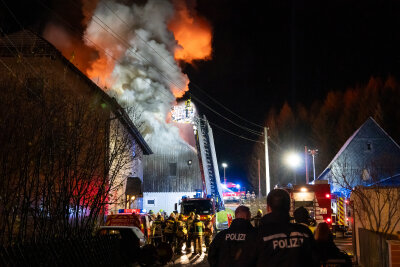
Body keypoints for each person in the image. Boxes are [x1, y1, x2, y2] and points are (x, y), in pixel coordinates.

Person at [256, 189, 318, 267]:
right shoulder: (305, 233)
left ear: (268, 208)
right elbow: (314, 259)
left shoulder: (259, 235)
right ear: (289, 208)